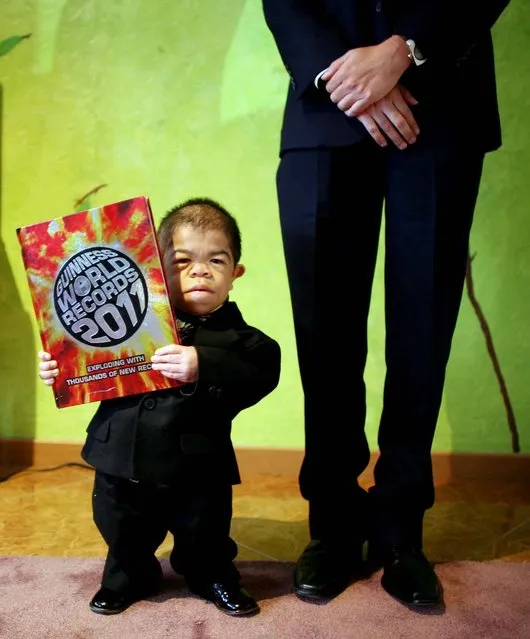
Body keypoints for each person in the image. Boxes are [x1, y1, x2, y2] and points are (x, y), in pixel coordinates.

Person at [262, 0, 510, 607]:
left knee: (422, 327)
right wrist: (344, 74)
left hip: (441, 97)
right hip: (325, 103)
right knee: (325, 329)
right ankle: (334, 526)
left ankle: (402, 532)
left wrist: (406, 49)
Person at [37, 197, 281, 617]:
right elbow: (82, 357)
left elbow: (262, 371)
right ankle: (127, 576)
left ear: (235, 274)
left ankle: (211, 575)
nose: (200, 271)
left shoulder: (244, 342)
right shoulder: (120, 319)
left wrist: (203, 363)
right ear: (155, 270)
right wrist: (57, 368)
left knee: (204, 531)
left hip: (198, 466)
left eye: (216, 261)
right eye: (183, 260)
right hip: (121, 457)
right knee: (121, 527)